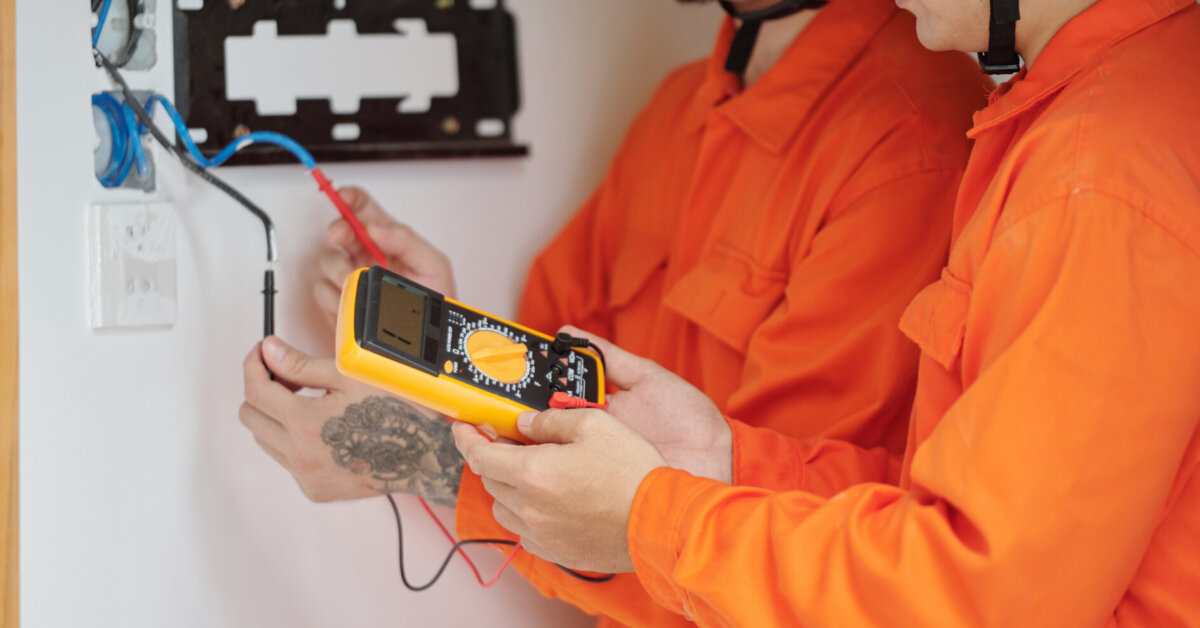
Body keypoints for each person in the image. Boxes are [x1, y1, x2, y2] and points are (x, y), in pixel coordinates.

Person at [239, 0, 988, 625]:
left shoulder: (909, 139)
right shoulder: (677, 111)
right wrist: (445, 349)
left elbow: (776, 553)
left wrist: (420, 455)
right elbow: (564, 387)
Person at [453, 0, 1200, 625]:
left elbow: (974, 601)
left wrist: (653, 520)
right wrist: (721, 463)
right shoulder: (1084, 122)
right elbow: (936, 522)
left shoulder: (1095, 174)